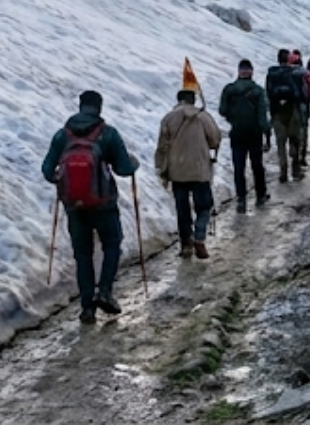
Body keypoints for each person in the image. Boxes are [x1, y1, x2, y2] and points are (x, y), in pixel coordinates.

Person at [42, 90, 139, 324]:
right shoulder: (108, 134)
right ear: (99, 107)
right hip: (103, 204)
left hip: (74, 207)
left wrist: (63, 181)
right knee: (112, 245)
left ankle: (87, 308)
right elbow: (124, 169)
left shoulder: (62, 135)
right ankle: (105, 291)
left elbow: (47, 170)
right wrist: (133, 163)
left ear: (80, 105)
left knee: (83, 255)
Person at [155, 69, 221, 260]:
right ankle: (200, 237)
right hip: (200, 170)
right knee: (204, 205)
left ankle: (186, 244)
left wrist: (161, 169)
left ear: (178, 100)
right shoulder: (202, 116)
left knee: (182, 208)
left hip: (177, 172)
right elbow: (215, 139)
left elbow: (162, 146)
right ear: (193, 100)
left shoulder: (168, 118)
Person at [217, 60, 270, 214]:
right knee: (257, 166)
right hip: (254, 134)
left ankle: (241, 199)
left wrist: (233, 118)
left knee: (239, 167)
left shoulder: (229, 90)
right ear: (251, 71)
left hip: (237, 133)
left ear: (239, 71)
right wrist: (266, 132)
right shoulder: (258, 91)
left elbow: (222, 110)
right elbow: (262, 116)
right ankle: (260, 195)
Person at [265, 51, 307, 184]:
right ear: (288, 59)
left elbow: (268, 94)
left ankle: (283, 172)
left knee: (280, 143)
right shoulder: (295, 73)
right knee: (295, 140)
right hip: (292, 110)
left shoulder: (271, 74)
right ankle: (296, 170)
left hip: (277, 112)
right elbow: (302, 93)